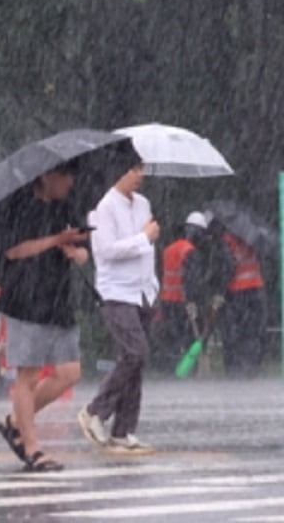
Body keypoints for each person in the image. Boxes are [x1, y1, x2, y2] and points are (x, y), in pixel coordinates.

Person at [0, 163, 90, 473]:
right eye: (65, 177)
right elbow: (12, 251)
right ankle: (32, 447)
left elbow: (82, 249)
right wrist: (54, 240)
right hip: (25, 298)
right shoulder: (18, 205)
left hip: (58, 297)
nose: (70, 183)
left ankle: (14, 422)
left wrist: (76, 253)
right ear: (47, 176)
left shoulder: (67, 205)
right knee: (29, 375)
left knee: (69, 372)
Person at [77, 163, 158, 454]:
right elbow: (106, 251)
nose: (140, 175)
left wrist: (152, 285)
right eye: (133, 169)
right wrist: (143, 238)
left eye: (142, 169)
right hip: (115, 292)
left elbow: (147, 252)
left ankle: (124, 431)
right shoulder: (104, 208)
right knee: (136, 353)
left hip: (142, 291)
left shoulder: (143, 204)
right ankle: (95, 411)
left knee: (134, 361)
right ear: (117, 172)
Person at [158, 212, 211, 371]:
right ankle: (187, 371)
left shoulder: (169, 249)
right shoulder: (190, 252)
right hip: (183, 303)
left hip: (167, 301)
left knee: (171, 340)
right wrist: (192, 302)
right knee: (189, 339)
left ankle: (169, 371)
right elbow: (191, 280)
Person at [216, 223, 265, 377]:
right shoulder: (254, 240)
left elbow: (228, 268)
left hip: (237, 292)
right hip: (256, 289)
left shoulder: (227, 240)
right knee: (252, 331)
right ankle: (251, 366)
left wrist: (221, 291)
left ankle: (234, 368)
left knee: (234, 331)